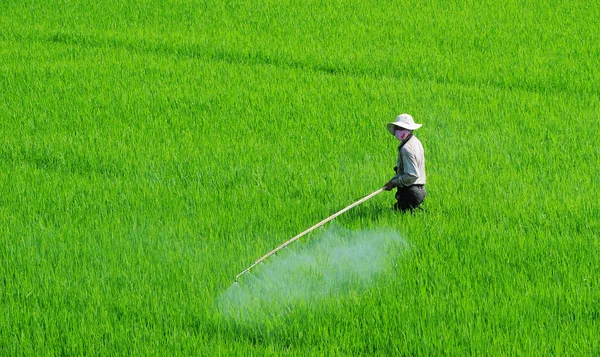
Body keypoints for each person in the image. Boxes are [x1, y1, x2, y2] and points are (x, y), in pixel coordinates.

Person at [383, 114, 426, 212]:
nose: (398, 130)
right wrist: (392, 181)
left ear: (409, 129)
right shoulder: (415, 141)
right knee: (397, 214)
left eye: (402, 128)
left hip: (411, 192)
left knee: (396, 215)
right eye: (398, 128)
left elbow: (412, 175)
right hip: (420, 190)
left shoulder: (406, 149)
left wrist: (394, 183)